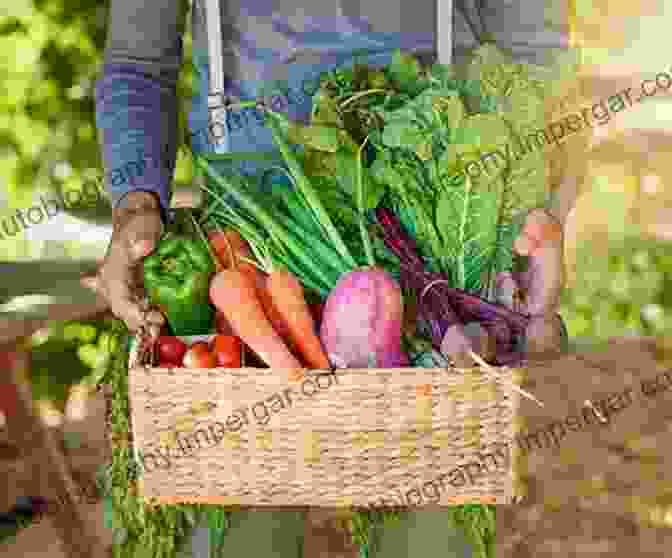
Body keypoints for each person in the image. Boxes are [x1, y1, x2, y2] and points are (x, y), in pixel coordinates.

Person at [91, 0, 581, 556]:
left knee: (428, 531)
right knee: (235, 528)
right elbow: (137, 60)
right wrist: (134, 207)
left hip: (436, 232)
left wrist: (546, 211)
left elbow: (535, 53)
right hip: (250, 244)